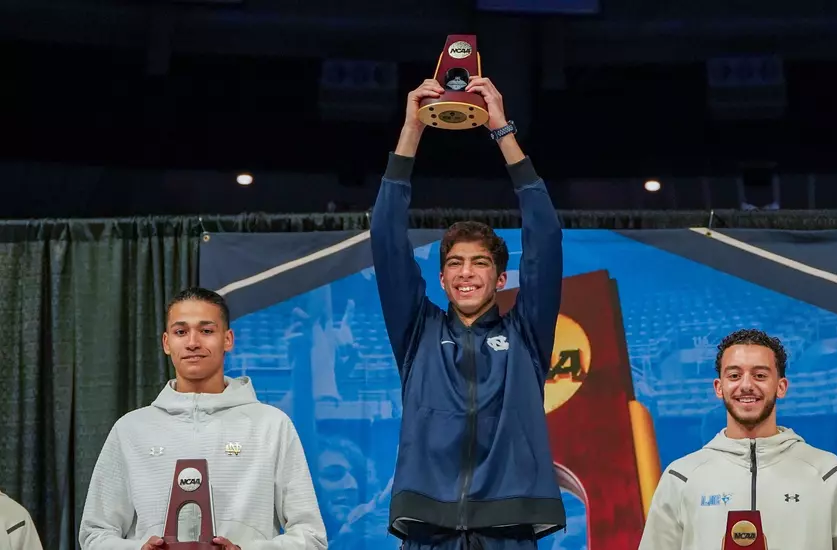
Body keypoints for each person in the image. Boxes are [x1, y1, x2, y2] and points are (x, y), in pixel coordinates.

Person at [370, 77, 566, 549]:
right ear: (440, 279)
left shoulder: (527, 335)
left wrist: (501, 129)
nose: (466, 273)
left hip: (510, 524)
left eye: (481, 263)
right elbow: (385, 237)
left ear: (502, 279)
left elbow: (546, 236)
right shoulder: (418, 331)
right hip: (427, 525)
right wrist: (411, 130)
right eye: (454, 263)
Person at [79, 287, 327, 550]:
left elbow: (311, 536)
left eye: (206, 331)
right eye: (180, 332)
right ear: (166, 342)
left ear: (228, 339)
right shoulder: (130, 429)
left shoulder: (272, 425)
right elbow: (95, 534)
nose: (193, 342)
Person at [638, 328, 837, 550]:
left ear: (781, 387)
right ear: (719, 387)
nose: (746, 385)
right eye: (734, 375)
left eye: (760, 375)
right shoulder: (681, 476)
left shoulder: (827, 472)